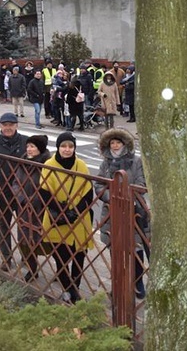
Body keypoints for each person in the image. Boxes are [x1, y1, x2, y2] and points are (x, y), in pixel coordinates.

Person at [40, 132, 94, 303]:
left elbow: (88, 193)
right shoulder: (49, 165)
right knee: (60, 256)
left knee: (79, 255)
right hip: (57, 217)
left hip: (79, 219)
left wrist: (75, 212)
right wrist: (62, 210)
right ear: (58, 147)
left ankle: (74, 289)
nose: (67, 149)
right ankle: (67, 289)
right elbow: (44, 192)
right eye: (63, 146)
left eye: (70, 146)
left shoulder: (82, 166)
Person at [95, 128, 149, 299]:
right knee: (115, 249)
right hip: (112, 211)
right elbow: (99, 185)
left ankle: (137, 282)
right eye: (112, 143)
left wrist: (128, 196)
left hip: (134, 211)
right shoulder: (105, 164)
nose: (115, 145)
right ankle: (118, 284)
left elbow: (142, 182)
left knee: (136, 248)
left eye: (118, 142)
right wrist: (111, 198)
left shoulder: (136, 162)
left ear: (124, 144)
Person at [0, 113, 28, 271]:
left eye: (11, 124)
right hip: (2, 193)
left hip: (23, 194)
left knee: (24, 226)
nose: (8, 128)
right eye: (5, 125)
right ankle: (6, 258)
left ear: (17, 125)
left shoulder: (25, 143)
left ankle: (26, 257)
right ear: (0, 126)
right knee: (3, 227)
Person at [13, 135, 52, 282]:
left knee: (46, 240)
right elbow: (15, 182)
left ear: (39, 149)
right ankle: (32, 268)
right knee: (25, 239)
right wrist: (22, 198)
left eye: (32, 147)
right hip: (24, 207)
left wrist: (35, 200)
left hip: (42, 208)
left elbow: (49, 186)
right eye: (28, 146)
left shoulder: (46, 164)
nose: (29, 149)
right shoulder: (23, 162)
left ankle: (61, 271)